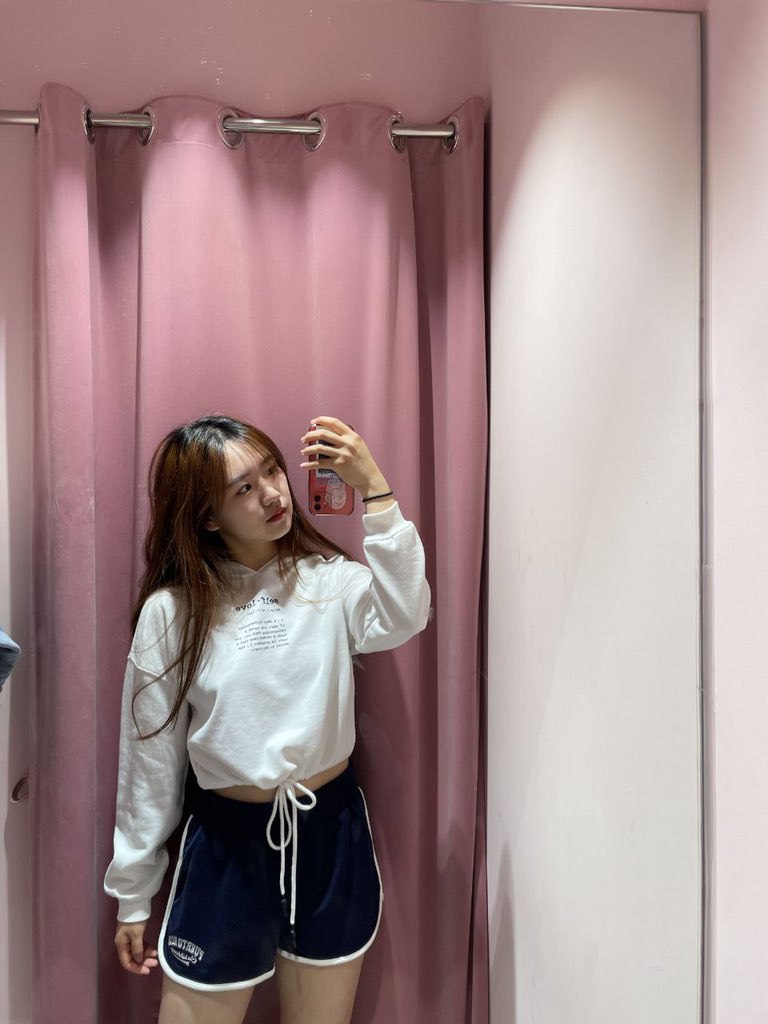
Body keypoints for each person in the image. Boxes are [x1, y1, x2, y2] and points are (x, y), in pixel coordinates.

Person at [103, 414, 431, 1024]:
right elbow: (149, 761)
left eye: (273, 471)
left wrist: (376, 491)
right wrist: (133, 893)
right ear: (207, 516)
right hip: (226, 844)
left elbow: (406, 614)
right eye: (244, 489)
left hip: (330, 835)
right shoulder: (172, 612)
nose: (274, 494)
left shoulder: (331, 582)